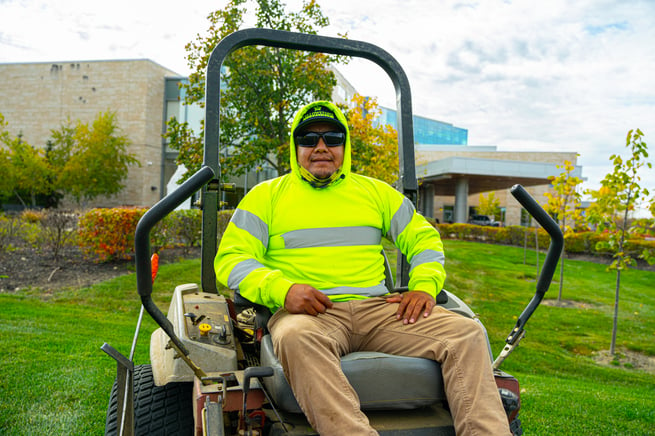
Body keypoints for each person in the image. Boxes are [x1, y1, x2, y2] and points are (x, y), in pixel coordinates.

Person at [215, 101, 510, 435]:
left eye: (333, 138)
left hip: (376, 310)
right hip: (309, 315)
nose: (321, 147)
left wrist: (424, 286)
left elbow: (424, 238)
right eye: (309, 139)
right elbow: (232, 260)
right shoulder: (265, 197)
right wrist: (282, 290)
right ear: (296, 147)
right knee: (295, 336)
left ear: (345, 145)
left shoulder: (375, 193)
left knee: (466, 333)